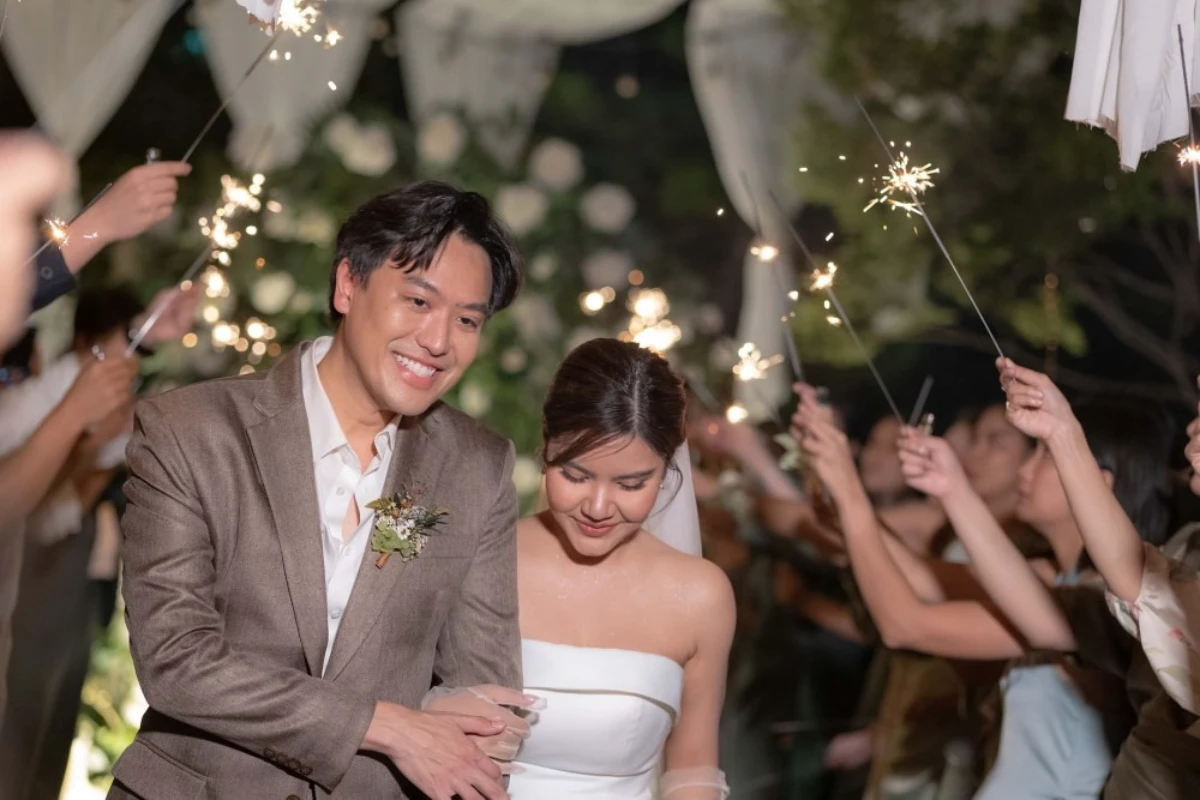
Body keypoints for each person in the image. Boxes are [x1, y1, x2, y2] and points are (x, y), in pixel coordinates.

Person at [110, 181, 536, 800]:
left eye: (467, 320)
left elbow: (487, 697)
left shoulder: (477, 467)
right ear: (347, 285)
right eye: (418, 301)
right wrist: (387, 726)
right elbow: (177, 661)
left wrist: (462, 722)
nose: (440, 341)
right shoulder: (191, 431)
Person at [795, 386, 1168, 799]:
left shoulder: (1100, 603)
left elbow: (906, 624)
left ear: (1096, 483)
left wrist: (850, 493)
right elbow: (921, 578)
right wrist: (837, 486)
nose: (1026, 468)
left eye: (1046, 455)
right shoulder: (1050, 577)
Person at [429, 339, 736, 798]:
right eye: (575, 476)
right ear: (545, 449)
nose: (597, 507)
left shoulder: (700, 595)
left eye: (631, 484)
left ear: (667, 471)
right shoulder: (481, 556)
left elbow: (693, 768)